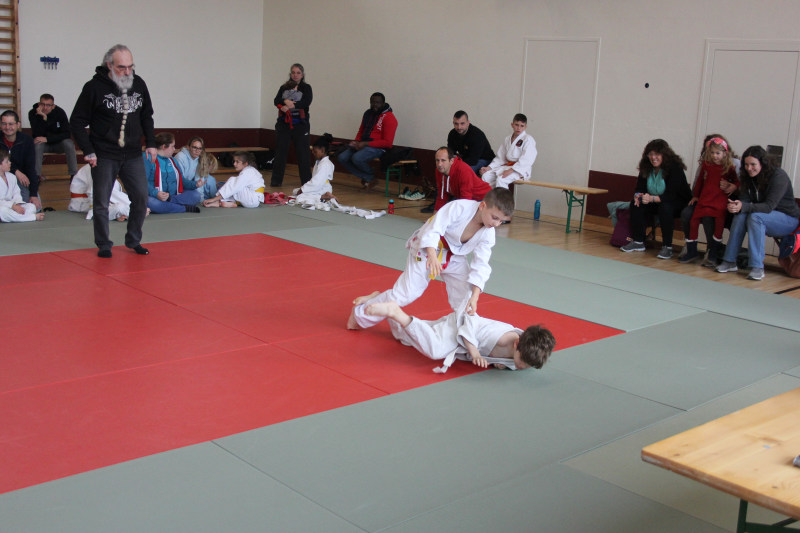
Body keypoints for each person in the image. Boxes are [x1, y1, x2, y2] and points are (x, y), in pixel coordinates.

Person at [347, 188, 514, 330]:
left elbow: (481, 263)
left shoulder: (488, 233)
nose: (496, 224)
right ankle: (360, 314)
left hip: (454, 257)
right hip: (428, 249)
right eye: (495, 217)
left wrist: (475, 296)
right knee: (406, 294)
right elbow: (434, 228)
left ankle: (466, 331)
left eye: (502, 221)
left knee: (466, 296)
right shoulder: (459, 207)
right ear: (483, 206)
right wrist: (432, 255)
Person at [70, 44, 156, 258]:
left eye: (130, 66)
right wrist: (88, 150)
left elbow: (147, 115)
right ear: (109, 65)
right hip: (104, 154)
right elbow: (77, 121)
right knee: (101, 202)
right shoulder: (94, 87)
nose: (127, 72)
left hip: (133, 153)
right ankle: (104, 244)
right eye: (121, 67)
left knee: (141, 198)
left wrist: (151, 143)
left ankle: (133, 239)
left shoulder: (139, 83)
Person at [362, 300, 555, 373]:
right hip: (459, 325)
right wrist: (475, 352)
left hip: (459, 340)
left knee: (404, 337)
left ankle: (381, 301)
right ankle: (395, 312)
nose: (523, 367)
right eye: (523, 362)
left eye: (528, 365)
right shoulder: (502, 337)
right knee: (435, 350)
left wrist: (499, 364)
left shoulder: (524, 352)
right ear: (516, 344)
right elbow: (471, 319)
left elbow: (512, 362)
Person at [716, 145, 800, 281]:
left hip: (788, 220)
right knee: (740, 215)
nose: (749, 168)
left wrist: (743, 206)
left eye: (753, 164)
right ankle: (729, 261)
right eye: (746, 165)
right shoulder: (747, 176)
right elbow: (744, 200)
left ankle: (757, 267)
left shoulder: (779, 176)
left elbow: (768, 207)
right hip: (760, 215)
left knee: (755, 217)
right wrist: (735, 206)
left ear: (763, 163)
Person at [620, 139, 692, 260]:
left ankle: (667, 246)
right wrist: (638, 195)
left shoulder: (675, 167)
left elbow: (671, 195)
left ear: (664, 155)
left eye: (657, 154)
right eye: (651, 154)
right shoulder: (646, 166)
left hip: (677, 202)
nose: (653, 157)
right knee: (636, 204)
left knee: (665, 207)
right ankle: (638, 241)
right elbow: (640, 187)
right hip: (654, 200)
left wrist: (651, 198)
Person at [679, 133, 740, 267]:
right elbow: (699, 182)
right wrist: (695, 195)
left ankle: (712, 251)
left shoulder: (731, 165)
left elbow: (737, 182)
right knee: (691, 217)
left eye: (717, 153)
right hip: (704, 199)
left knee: (715, 222)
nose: (714, 156)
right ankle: (691, 249)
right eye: (712, 152)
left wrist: (732, 186)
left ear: (724, 152)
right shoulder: (706, 164)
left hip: (720, 201)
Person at [338, 92, 398, 187]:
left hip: (379, 148)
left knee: (357, 158)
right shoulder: (368, 113)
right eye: (372, 102)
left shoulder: (390, 118)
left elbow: (388, 143)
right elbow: (361, 130)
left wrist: (366, 144)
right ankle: (368, 176)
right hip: (363, 144)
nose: (374, 105)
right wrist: (356, 141)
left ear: (383, 103)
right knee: (342, 157)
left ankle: (370, 174)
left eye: (377, 102)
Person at [271, 63, 312, 187]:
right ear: (290, 74)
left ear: (302, 75)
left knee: (303, 153)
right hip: (284, 124)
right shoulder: (284, 87)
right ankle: (276, 181)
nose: (295, 75)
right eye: (293, 72)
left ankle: (307, 183)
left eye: (298, 73)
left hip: (300, 124)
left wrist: (294, 105)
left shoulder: (306, 88)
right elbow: (276, 100)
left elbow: (307, 101)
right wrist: (284, 103)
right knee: (280, 152)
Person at [143, 132, 202, 214]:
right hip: (155, 196)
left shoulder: (173, 160)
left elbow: (181, 181)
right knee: (149, 202)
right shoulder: (147, 158)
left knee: (196, 195)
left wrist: (195, 184)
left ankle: (169, 204)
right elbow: (142, 183)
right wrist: (156, 193)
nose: (174, 149)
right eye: (172, 146)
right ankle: (183, 208)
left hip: (172, 196)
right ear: (164, 147)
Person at [28, 93, 79, 181]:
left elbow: (67, 134)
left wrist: (48, 138)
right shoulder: (33, 113)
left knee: (69, 143)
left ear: (53, 106)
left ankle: (73, 175)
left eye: (48, 105)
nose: (45, 107)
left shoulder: (60, 112)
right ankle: (36, 176)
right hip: (43, 145)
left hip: (58, 144)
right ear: (39, 104)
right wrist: (43, 118)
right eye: (43, 104)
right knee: (37, 144)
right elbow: (37, 134)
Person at [480, 113, 537, 189]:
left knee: (501, 179)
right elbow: (501, 157)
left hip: (520, 170)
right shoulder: (507, 139)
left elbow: (527, 160)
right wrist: (489, 167)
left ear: (525, 127)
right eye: (516, 125)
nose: (519, 128)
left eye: (522, 126)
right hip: (507, 167)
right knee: (486, 176)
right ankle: (491, 197)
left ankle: (503, 197)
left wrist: (512, 170)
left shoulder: (528, 139)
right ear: (512, 125)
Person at [1, 110, 39, 211]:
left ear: (18, 125)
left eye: (11, 124)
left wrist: (34, 194)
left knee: (35, 207)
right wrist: (16, 171)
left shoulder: (27, 140)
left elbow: (31, 168)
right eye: (4, 124)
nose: (7, 127)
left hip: (21, 179)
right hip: (2, 177)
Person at [432, 146, 491, 212]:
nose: (439, 164)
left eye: (443, 160)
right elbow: (442, 196)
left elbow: (466, 200)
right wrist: (434, 217)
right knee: (447, 211)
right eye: (437, 160)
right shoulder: (439, 170)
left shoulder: (463, 170)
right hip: (463, 197)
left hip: (483, 197)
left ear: (451, 161)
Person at [68, 164, 133, 221]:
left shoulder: (108, 166)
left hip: (102, 201)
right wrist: (94, 210)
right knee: (121, 207)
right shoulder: (94, 166)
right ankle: (131, 210)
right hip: (84, 203)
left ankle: (122, 213)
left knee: (122, 206)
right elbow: (93, 192)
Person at [0, 147, 44, 222]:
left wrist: (17, 204)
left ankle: (17, 217)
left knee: (31, 207)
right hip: (3, 207)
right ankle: (31, 217)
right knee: (2, 211)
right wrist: (12, 206)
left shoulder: (12, 177)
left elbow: (16, 193)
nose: (10, 163)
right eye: (7, 162)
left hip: (13, 206)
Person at [294, 137, 334, 205]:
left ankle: (323, 197)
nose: (313, 153)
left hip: (322, 188)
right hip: (319, 187)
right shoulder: (320, 162)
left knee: (300, 197)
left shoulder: (325, 164)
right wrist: (302, 189)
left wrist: (303, 189)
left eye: (315, 151)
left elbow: (316, 182)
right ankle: (322, 196)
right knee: (295, 191)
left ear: (322, 150)